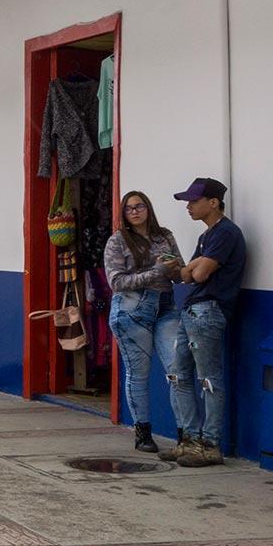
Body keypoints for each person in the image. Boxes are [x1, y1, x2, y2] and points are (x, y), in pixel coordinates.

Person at [167, 178, 247, 468]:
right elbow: (186, 274)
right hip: (193, 311)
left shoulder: (225, 233)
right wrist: (192, 267)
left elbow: (198, 275)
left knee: (208, 379)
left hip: (208, 310)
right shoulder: (207, 236)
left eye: (194, 201)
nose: (189, 206)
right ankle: (189, 439)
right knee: (179, 375)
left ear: (213, 202)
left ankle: (210, 444)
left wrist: (192, 267)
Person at [103, 191, 191, 454]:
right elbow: (116, 282)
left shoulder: (165, 236)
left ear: (148, 208)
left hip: (165, 306)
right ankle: (143, 434)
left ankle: (185, 435)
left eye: (140, 206)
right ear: (124, 214)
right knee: (138, 374)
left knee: (177, 370)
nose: (135, 211)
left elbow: (180, 274)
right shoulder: (117, 241)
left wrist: (174, 268)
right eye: (129, 209)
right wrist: (155, 272)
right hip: (133, 309)